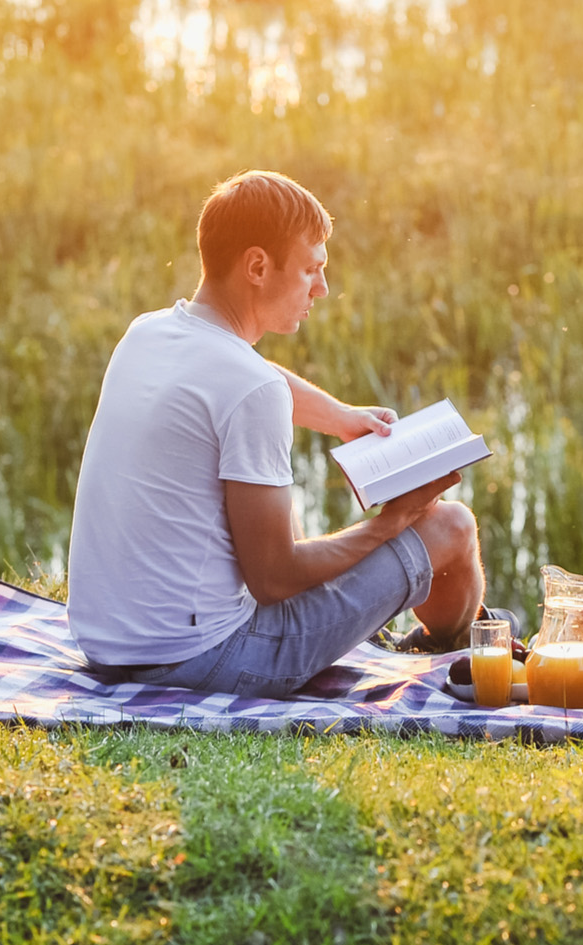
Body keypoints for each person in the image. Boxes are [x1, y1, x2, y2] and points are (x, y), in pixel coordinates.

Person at [67, 170, 494, 696]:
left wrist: (340, 417)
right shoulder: (252, 391)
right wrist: (390, 525)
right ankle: (447, 649)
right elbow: (273, 580)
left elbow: (245, 371)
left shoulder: (147, 333)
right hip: (207, 659)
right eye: (312, 269)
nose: (323, 288)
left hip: (106, 644)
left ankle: (442, 640)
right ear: (257, 266)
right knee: (451, 525)